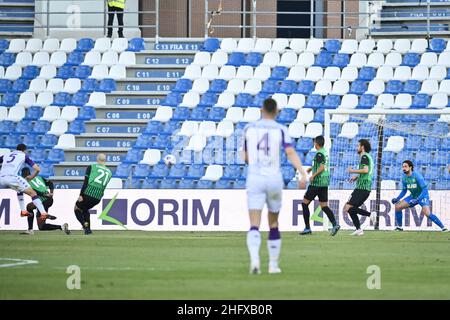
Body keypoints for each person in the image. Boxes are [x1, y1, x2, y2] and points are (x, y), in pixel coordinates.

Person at [242, 98, 307, 275]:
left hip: (255, 177)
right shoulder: (281, 129)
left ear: (261, 109)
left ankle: (255, 260)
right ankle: (272, 265)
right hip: (274, 179)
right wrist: (302, 173)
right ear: (277, 111)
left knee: (254, 223)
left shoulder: (249, 128)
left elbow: (245, 158)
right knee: (274, 223)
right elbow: (290, 152)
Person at [300, 135, 340, 236]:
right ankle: (335, 224)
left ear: (316, 143)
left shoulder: (319, 153)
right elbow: (321, 164)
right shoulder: (324, 152)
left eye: (314, 142)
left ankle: (307, 228)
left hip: (317, 183)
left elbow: (322, 167)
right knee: (324, 206)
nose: (314, 143)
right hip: (324, 183)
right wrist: (311, 168)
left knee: (305, 203)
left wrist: (313, 175)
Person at [392, 160, 447, 232]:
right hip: (413, 196)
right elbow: (404, 190)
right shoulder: (404, 178)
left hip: (422, 196)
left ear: (410, 167)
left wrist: (417, 199)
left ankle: (443, 228)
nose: (403, 168)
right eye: (403, 167)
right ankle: (399, 227)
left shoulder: (417, 176)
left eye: (405, 166)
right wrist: (397, 198)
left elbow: (424, 190)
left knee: (427, 213)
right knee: (397, 207)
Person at [0, 144, 48, 220]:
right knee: (33, 193)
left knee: (19, 189)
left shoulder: (6, 155)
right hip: (12, 177)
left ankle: (23, 211)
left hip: (1, 178)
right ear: (24, 150)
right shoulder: (23, 155)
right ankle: (43, 213)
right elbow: (37, 169)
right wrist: (32, 176)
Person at [20, 168, 70, 235]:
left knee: (41, 227)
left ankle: (31, 229)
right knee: (29, 207)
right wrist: (51, 193)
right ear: (30, 173)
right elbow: (50, 183)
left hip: (42, 200)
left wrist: (44, 195)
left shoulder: (25, 181)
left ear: (22, 175)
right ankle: (60, 226)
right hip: (49, 200)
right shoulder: (38, 177)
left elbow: (34, 192)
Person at [343, 139, 377, 236]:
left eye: (358, 146)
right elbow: (367, 171)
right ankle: (359, 229)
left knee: (348, 207)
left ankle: (371, 214)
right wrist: (356, 177)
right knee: (350, 209)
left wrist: (352, 171)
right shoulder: (367, 157)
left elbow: (366, 170)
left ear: (362, 147)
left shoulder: (364, 156)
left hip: (362, 187)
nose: (357, 148)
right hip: (364, 186)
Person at [75, 153, 112, 235]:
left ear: (97, 159)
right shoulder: (109, 172)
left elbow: (86, 182)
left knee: (77, 208)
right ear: (105, 160)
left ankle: (85, 226)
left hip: (88, 193)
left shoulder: (91, 167)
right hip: (98, 197)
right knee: (85, 209)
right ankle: (88, 229)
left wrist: (81, 194)